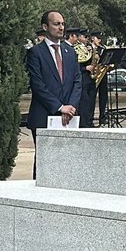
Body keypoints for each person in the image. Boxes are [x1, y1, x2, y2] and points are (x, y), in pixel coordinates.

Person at [25, 10, 82, 177]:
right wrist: (59, 107)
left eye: (63, 24)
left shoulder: (70, 51)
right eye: (56, 24)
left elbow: (77, 81)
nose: (61, 27)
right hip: (44, 115)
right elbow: (37, 85)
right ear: (45, 26)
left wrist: (70, 106)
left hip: (69, 116)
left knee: (66, 164)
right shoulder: (35, 52)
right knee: (44, 164)